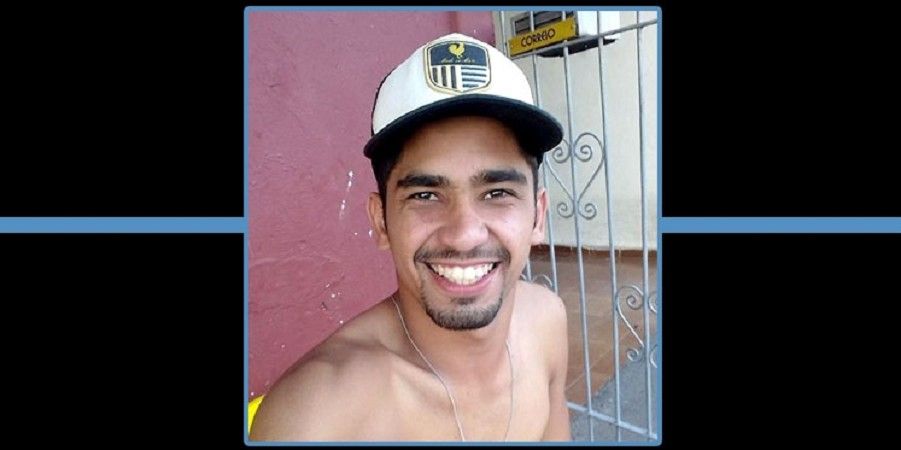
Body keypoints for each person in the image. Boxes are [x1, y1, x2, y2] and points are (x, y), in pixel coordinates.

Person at [250, 32, 570, 442]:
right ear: (381, 221)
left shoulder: (546, 323)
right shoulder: (316, 418)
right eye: (425, 195)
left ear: (538, 215)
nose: (464, 235)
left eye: (497, 193)